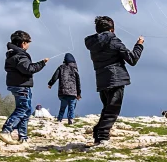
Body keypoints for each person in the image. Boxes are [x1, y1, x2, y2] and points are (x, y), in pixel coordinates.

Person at [85, 16, 144, 146]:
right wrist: (139, 45)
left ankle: (98, 134)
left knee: (107, 108)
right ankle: (103, 137)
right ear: (112, 29)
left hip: (101, 79)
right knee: (112, 110)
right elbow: (132, 59)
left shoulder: (93, 43)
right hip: (116, 79)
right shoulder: (114, 41)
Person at [0, 30, 48, 145]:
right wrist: (42, 63)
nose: (29, 45)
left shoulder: (13, 54)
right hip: (21, 86)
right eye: (28, 42)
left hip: (18, 85)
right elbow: (28, 69)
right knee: (23, 109)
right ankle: (6, 130)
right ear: (23, 43)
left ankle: (23, 137)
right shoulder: (20, 55)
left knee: (27, 110)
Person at [48, 53, 81, 125]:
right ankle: (71, 120)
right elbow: (78, 81)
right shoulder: (75, 69)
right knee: (71, 107)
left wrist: (50, 84)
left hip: (63, 92)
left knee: (62, 107)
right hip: (73, 92)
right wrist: (79, 94)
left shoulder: (61, 67)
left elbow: (55, 77)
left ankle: (59, 119)